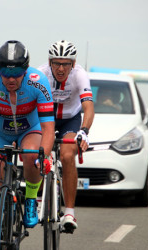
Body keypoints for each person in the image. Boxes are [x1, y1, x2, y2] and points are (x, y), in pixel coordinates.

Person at [0, 40, 55, 250]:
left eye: (17, 73)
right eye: (5, 72)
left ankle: (32, 198)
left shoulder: (38, 81)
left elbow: (48, 129)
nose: (11, 78)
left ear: (26, 69)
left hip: (29, 129)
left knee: (32, 155)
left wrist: (44, 157)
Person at [38, 40, 95, 233]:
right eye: (56, 63)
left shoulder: (79, 74)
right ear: (49, 62)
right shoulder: (41, 74)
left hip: (70, 119)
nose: (61, 68)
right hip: (45, 118)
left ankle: (69, 212)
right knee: (37, 152)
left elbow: (88, 107)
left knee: (67, 155)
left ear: (73, 63)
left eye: (66, 64)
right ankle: (37, 196)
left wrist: (84, 131)